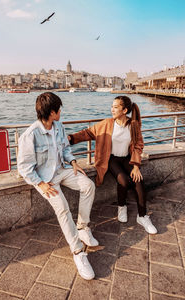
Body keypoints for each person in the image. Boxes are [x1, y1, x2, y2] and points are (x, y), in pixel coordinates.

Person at [17, 92, 99, 280]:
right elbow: (24, 167)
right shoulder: (30, 135)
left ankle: (83, 227)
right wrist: (41, 184)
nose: (61, 111)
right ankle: (78, 252)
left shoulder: (59, 126)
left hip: (62, 170)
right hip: (45, 178)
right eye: (59, 109)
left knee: (88, 185)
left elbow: (65, 149)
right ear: (52, 112)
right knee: (62, 209)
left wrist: (73, 162)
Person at [69, 96, 157, 234]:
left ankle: (142, 216)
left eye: (115, 107)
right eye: (112, 106)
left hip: (127, 158)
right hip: (111, 159)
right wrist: (70, 138)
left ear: (124, 110)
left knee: (139, 181)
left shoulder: (133, 125)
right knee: (123, 180)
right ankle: (122, 208)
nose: (112, 109)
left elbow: (138, 146)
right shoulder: (107, 124)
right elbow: (88, 133)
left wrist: (135, 166)